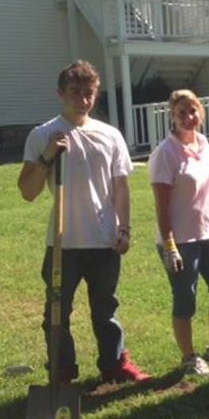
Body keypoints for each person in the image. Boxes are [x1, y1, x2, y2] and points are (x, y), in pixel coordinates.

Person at [17, 60, 151, 384]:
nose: (83, 99)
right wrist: (48, 156)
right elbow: (27, 191)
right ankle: (62, 370)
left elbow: (120, 187)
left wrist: (124, 230)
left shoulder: (110, 135)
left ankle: (114, 364)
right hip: (64, 242)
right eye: (75, 92)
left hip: (104, 240)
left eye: (89, 92)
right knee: (57, 314)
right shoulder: (43, 134)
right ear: (61, 93)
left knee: (106, 309)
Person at [148, 90, 209, 377]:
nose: (188, 117)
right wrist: (170, 246)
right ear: (172, 117)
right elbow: (161, 205)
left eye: (193, 111)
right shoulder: (165, 153)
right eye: (181, 112)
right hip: (181, 241)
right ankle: (189, 358)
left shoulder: (203, 145)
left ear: (201, 112)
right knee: (185, 299)